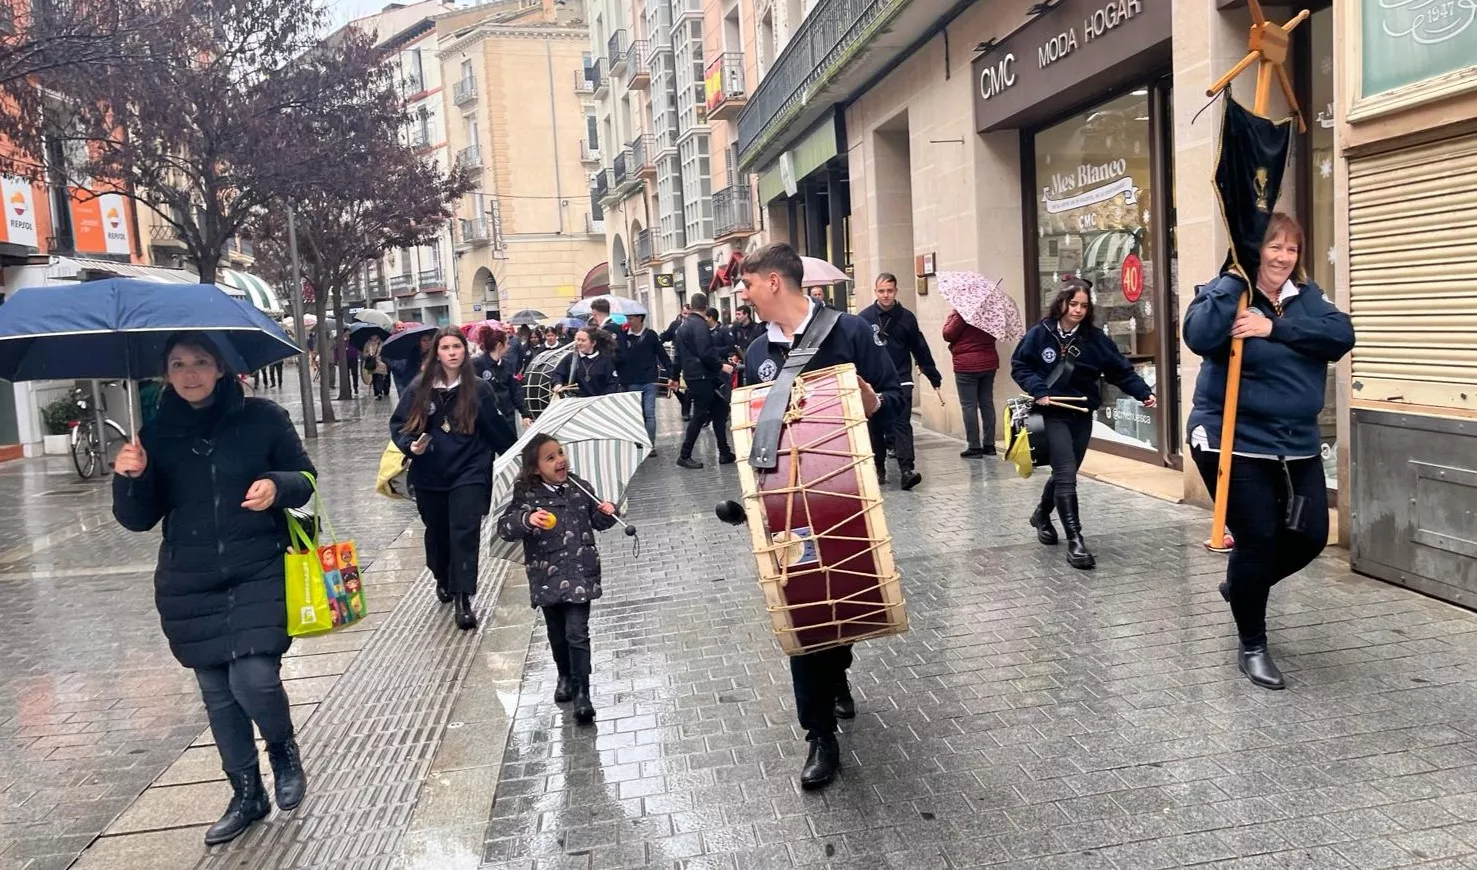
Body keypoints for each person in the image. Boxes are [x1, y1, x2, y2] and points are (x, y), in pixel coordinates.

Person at [112, 333, 315, 846]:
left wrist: (276, 484)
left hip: (259, 568)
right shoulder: (153, 436)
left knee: (254, 680)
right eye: (178, 364)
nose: (189, 373)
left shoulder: (263, 418)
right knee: (219, 697)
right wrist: (129, 477)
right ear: (166, 373)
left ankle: (282, 750)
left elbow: (306, 479)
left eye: (200, 362)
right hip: (190, 581)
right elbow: (137, 520)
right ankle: (246, 794)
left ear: (221, 368)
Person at [738, 242, 903, 790]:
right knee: (802, 603)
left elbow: (896, 396)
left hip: (845, 495)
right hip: (787, 504)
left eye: (749, 284)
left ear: (776, 283)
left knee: (846, 598)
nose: (745, 295)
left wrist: (871, 400)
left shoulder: (849, 333)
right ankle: (819, 736)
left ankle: (838, 671)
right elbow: (751, 428)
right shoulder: (756, 351)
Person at [1183, 213, 1354, 690]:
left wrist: (1271, 330)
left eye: (1291, 249)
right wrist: (1232, 278)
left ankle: (1241, 588)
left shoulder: (1309, 299)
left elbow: (1341, 337)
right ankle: (1253, 644)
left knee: (1310, 535)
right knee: (1258, 539)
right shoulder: (1227, 294)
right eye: (1273, 247)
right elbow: (1197, 336)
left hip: (1295, 444)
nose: (1282, 257)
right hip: (1232, 441)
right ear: (1254, 251)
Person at [1011, 278, 1156, 571]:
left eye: (1083, 306)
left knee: (1067, 471)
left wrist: (1143, 392)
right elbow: (1020, 365)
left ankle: (1041, 514)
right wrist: (1039, 389)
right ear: (1061, 303)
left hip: (1080, 413)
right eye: (1073, 303)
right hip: (1051, 414)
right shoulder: (1040, 334)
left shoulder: (1094, 339)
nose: (1077, 310)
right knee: (1065, 472)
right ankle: (1076, 540)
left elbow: (1119, 370)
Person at [390, 328, 517, 630]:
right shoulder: (419, 388)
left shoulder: (479, 389)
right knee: (438, 533)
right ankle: (441, 575)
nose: (452, 352)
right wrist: (411, 445)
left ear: (465, 350)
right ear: (437, 352)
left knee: (464, 531)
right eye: (445, 347)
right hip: (430, 472)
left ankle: (464, 597)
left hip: (469, 471)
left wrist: (521, 459)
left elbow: (496, 430)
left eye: (457, 346)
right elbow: (399, 425)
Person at [496, 434, 620, 724]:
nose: (559, 460)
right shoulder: (526, 494)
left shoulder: (580, 488)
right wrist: (527, 520)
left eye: (560, 453)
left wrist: (608, 512)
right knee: (557, 632)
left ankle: (582, 693)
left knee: (577, 633)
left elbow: (598, 522)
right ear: (536, 468)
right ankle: (563, 673)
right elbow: (506, 527)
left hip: (580, 572)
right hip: (546, 574)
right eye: (550, 457)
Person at [858, 273, 943, 490]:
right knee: (874, 425)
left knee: (901, 423)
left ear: (896, 291)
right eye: (881, 291)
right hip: (873, 382)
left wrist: (933, 374)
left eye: (890, 291)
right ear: (875, 291)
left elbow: (919, 347)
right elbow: (857, 350)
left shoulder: (906, 318)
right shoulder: (864, 318)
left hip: (901, 379)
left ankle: (906, 469)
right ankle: (878, 467)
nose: (886, 295)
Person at [673, 292, 734, 469]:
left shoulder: (683, 326)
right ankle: (684, 455)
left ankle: (724, 452)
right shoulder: (700, 325)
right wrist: (721, 366)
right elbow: (705, 352)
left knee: (720, 410)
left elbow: (677, 356)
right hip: (702, 376)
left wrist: (675, 376)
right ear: (705, 307)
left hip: (693, 376)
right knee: (699, 415)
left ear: (691, 307)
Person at [943, 307, 1000, 458]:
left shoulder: (963, 310)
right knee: (987, 403)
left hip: (967, 364)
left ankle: (974, 447)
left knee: (969, 406)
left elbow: (948, 334)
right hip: (988, 362)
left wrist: (953, 315)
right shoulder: (991, 311)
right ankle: (989, 445)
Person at [618, 312, 673, 452]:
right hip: (631, 380)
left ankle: (650, 443)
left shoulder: (651, 335)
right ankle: (638, 439)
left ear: (639, 318)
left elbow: (663, 355)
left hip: (649, 380)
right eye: (627, 318)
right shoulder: (624, 336)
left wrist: (672, 375)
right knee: (637, 413)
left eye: (630, 318)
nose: (628, 321)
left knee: (649, 412)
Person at [474, 329, 533, 429]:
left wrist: (525, 414)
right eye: (507, 343)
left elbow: (515, 391)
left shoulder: (507, 365)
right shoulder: (476, 365)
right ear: (499, 346)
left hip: (507, 417)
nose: (509, 346)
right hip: (486, 419)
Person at [554, 327, 621, 397]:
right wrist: (558, 383)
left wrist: (601, 398)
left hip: (599, 402)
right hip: (576, 401)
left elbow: (612, 383)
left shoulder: (605, 360)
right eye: (577, 340)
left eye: (583, 340)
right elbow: (558, 373)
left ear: (593, 343)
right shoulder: (570, 358)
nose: (579, 343)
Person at [389, 330, 435, 398]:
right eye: (424, 340)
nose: (427, 343)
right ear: (419, 342)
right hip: (410, 383)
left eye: (429, 340)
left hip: (426, 385)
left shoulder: (432, 353)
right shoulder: (413, 354)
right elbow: (409, 371)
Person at [363, 335, 391, 400]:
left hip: (381, 363)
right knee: (374, 378)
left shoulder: (382, 343)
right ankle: (377, 393)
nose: (373, 337)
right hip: (371, 364)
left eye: (375, 335)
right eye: (372, 335)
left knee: (380, 377)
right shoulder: (367, 344)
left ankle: (379, 392)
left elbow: (385, 353)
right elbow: (364, 353)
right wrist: (368, 355)